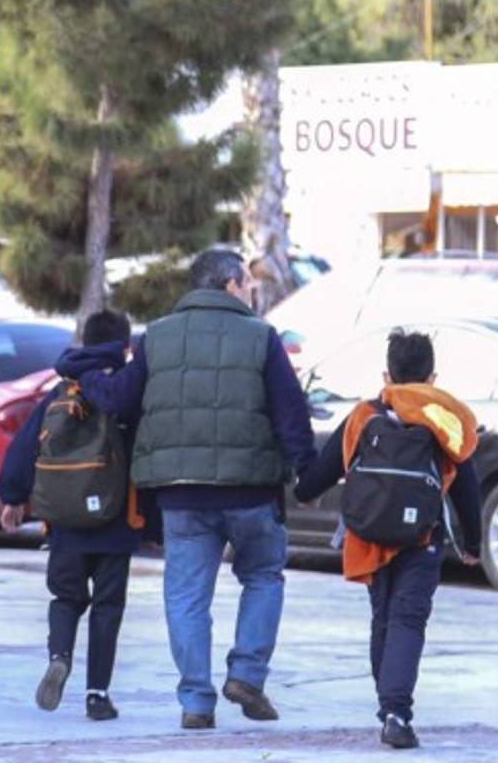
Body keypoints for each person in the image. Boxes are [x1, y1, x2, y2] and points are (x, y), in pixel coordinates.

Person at [56, 249, 315, 730]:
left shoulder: (158, 337)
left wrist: (85, 373)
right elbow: (290, 415)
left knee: (186, 596)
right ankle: (247, 673)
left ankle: (197, 701)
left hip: (180, 495)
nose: (253, 292)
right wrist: (308, 474)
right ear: (231, 285)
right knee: (262, 576)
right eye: (249, 283)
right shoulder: (262, 337)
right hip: (251, 491)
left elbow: (119, 398)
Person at [293, 329, 481, 750]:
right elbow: (467, 483)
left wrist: (304, 493)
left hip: (370, 536)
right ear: (432, 378)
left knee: (383, 617)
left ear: (387, 373)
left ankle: (388, 706)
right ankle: (396, 712)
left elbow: (323, 470)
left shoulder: (365, 415)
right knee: (408, 619)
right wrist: (474, 543)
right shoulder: (443, 417)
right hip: (422, 536)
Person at [0, 309, 142, 722]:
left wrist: (13, 497)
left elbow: (26, 446)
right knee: (107, 606)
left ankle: (60, 656)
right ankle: (97, 694)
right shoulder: (125, 392)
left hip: (63, 520)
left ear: (84, 339)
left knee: (66, 597)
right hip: (116, 520)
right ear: (125, 346)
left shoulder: (60, 389)